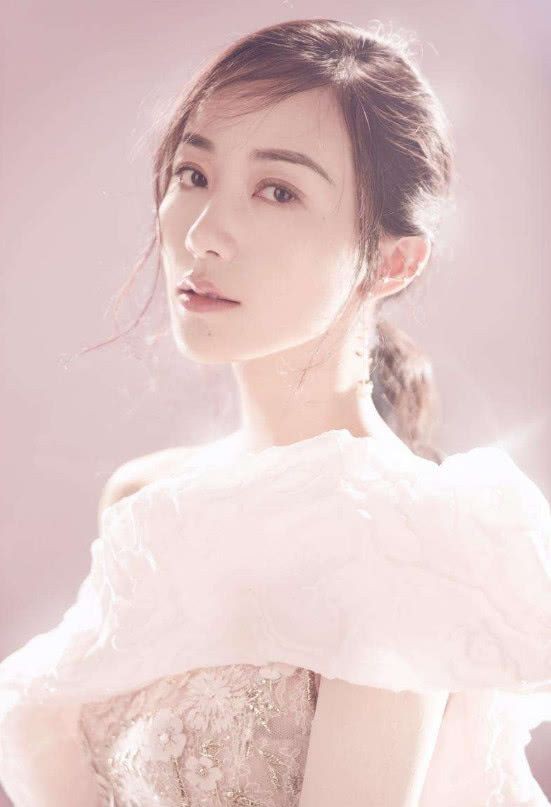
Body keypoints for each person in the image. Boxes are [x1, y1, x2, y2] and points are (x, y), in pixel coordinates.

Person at [0, 17, 550, 807]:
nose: (202, 234)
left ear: (391, 261)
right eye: (192, 174)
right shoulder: (146, 503)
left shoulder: (409, 540)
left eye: (278, 190)